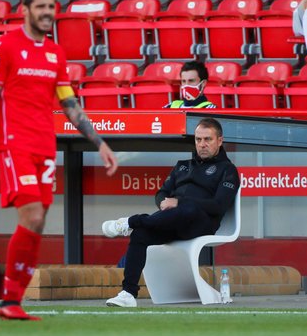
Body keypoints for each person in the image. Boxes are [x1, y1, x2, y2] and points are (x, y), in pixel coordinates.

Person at [0, 0, 118, 321]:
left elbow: (70, 105)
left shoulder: (55, 53)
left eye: (52, 6)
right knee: (32, 215)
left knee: (38, 222)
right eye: (41, 6)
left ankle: (12, 303)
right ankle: (9, 300)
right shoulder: (5, 46)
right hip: (13, 144)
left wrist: (100, 143)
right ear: (25, 9)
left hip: (44, 148)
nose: (48, 12)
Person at [101, 118, 240, 308]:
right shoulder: (183, 165)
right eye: (198, 140)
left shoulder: (228, 170)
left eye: (208, 139)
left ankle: (131, 222)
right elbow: (161, 194)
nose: (202, 144)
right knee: (141, 235)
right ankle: (128, 293)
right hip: (172, 221)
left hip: (200, 224)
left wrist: (179, 202)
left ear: (220, 141)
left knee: (188, 208)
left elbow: (218, 205)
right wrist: (166, 205)